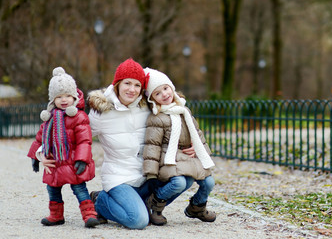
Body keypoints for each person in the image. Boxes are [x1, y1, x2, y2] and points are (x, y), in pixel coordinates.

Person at [87, 58, 194, 229]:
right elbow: (77, 136)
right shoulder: (101, 112)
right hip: (120, 179)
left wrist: (192, 145)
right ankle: (100, 201)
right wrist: (43, 151)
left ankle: (146, 204)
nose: (132, 89)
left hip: (148, 175)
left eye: (137, 85)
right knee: (138, 221)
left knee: (186, 178)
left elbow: (174, 124)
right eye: (127, 83)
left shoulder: (148, 107)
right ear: (117, 84)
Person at [142, 67, 217, 226]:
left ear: (171, 87)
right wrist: (151, 172)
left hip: (188, 156)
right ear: (152, 99)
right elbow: (152, 146)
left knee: (209, 182)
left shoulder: (184, 110)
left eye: (165, 88)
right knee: (180, 183)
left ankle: (197, 207)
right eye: (157, 93)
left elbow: (197, 133)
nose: (164, 94)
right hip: (169, 158)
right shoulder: (157, 118)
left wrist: (198, 149)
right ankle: (155, 205)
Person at [27, 67, 99, 228]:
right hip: (54, 161)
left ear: (74, 97)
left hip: (73, 161)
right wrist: (35, 157)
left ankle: (89, 215)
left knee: (79, 189)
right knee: (52, 189)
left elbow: (84, 141)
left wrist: (81, 159)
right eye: (59, 97)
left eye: (68, 95)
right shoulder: (49, 118)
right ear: (53, 100)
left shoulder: (79, 117)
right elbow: (40, 139)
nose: (64, 99)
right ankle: (56, 215)